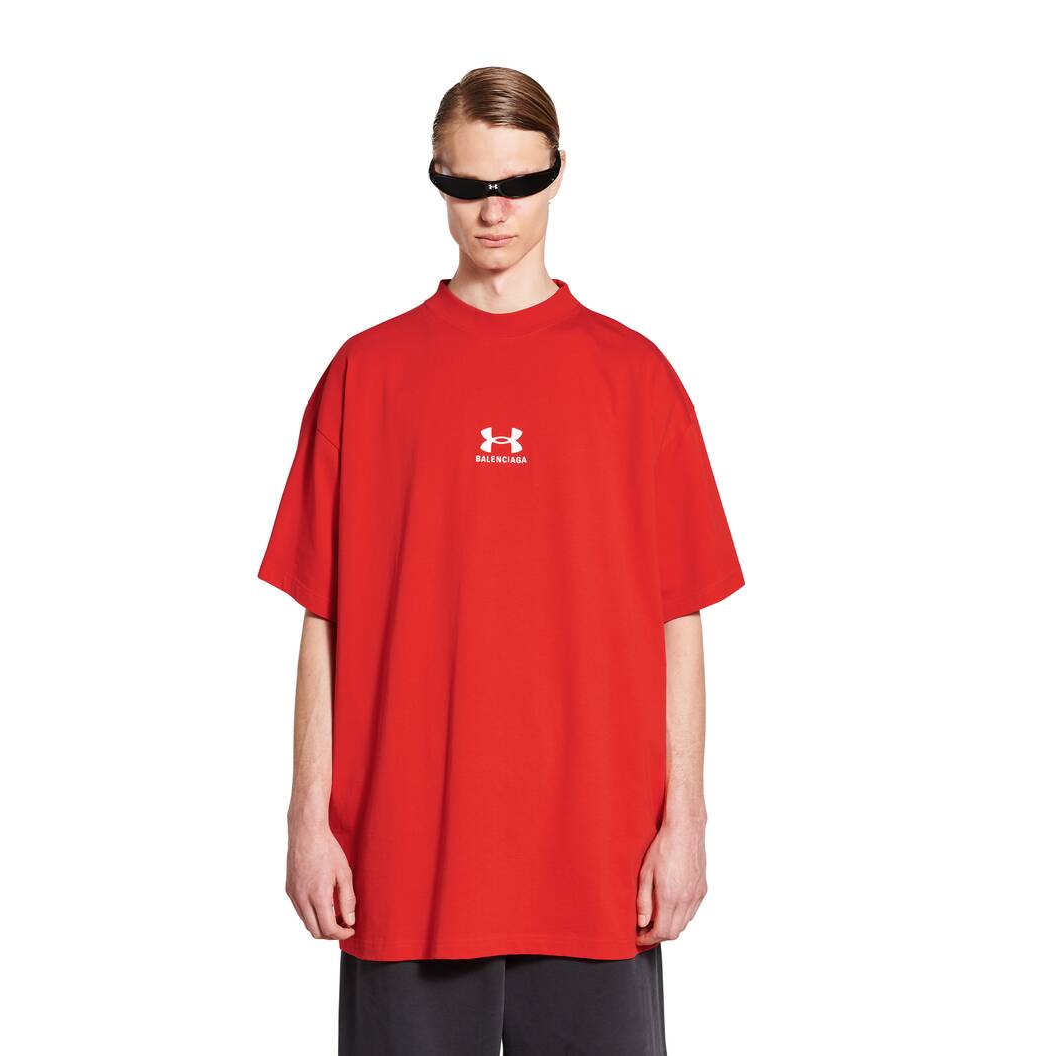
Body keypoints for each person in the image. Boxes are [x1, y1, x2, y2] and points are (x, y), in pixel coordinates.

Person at [257, 66, 745, 1055]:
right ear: (435, 179)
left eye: (518, 184)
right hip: (407, 860)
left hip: (598, 864)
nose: (494, 211)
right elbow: (323, 615)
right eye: (469, 185)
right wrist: (307, 816)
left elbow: (678, 616)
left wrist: (686, 819)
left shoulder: (634, 377)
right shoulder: (366, 374)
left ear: (557, 176)